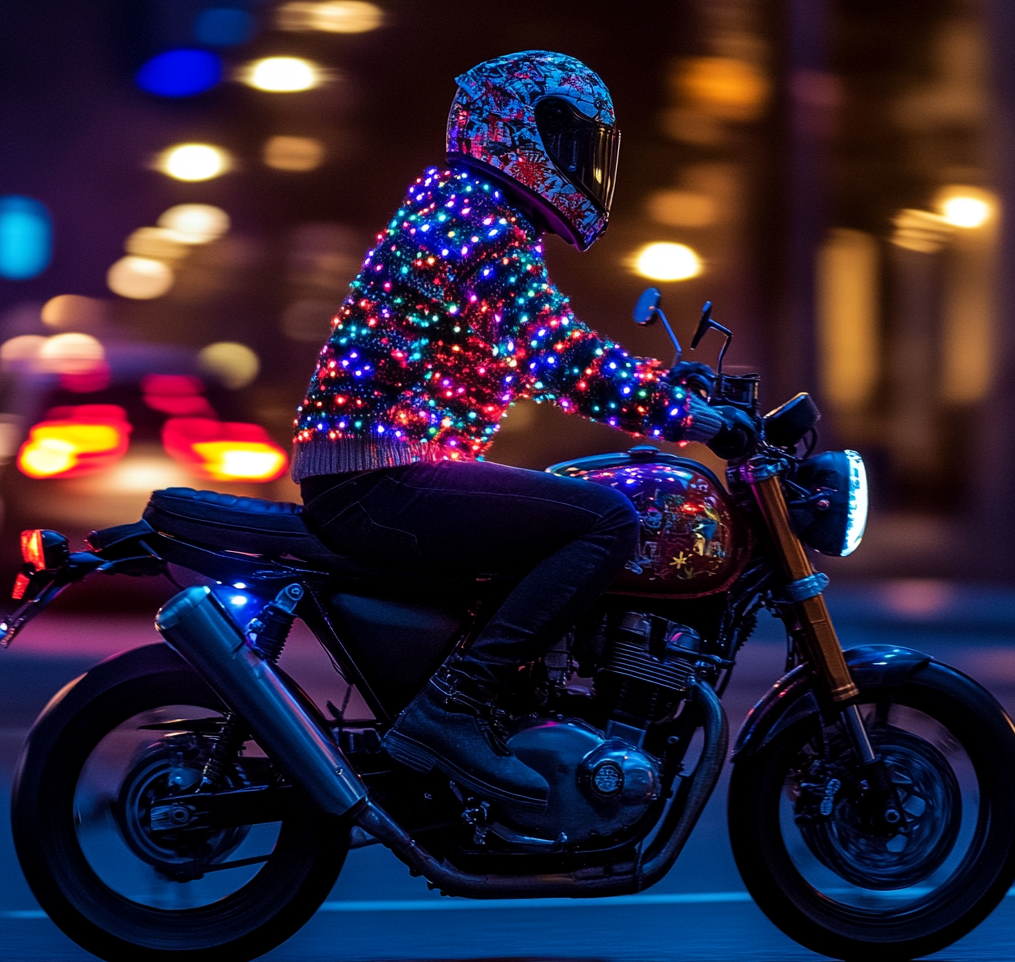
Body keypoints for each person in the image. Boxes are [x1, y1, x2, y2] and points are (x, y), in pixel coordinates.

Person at [293, 51, 754, 809]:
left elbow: (549, 342)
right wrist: (690, 417)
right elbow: (555, 353)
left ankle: (509, 708)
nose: (582, 164)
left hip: (380, 471)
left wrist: (666, 389)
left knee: (576, 510)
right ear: (517, 130)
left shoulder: (472, 211)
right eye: (569, 141)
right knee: (609, 520)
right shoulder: (475, 215)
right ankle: (455, 707)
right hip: (379, 476)